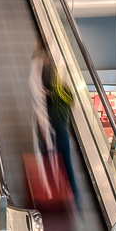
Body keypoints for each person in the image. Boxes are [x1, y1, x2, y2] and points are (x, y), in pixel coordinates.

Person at [28, 43, 77, 209]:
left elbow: (37, 97)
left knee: (50, 154)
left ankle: (53, 194)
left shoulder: (38, 64)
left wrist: (45, 128)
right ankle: (72, 196)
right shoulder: (61, 57)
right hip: (60, 109)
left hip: (54, 110)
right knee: (64, 153)